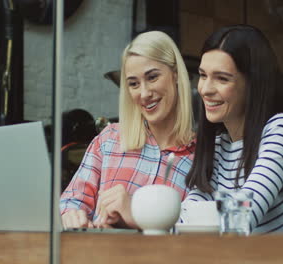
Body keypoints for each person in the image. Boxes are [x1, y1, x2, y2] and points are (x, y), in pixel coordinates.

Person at [182, 25, 283, 234]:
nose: (205, 89)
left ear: (253, 84)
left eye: (222, 78)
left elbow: (240, 218)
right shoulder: (220, 146)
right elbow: (189, 216)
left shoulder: (281, 129)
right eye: (203, 75)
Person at [60, 31, 195, 229]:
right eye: (133, 83)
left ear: (175, 75)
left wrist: (135, 211)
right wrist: (71, 214)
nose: (144, 93)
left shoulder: (201, 156)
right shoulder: (109, 140)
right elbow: (70, 202)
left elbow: (196, 230)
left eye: (153, 77)